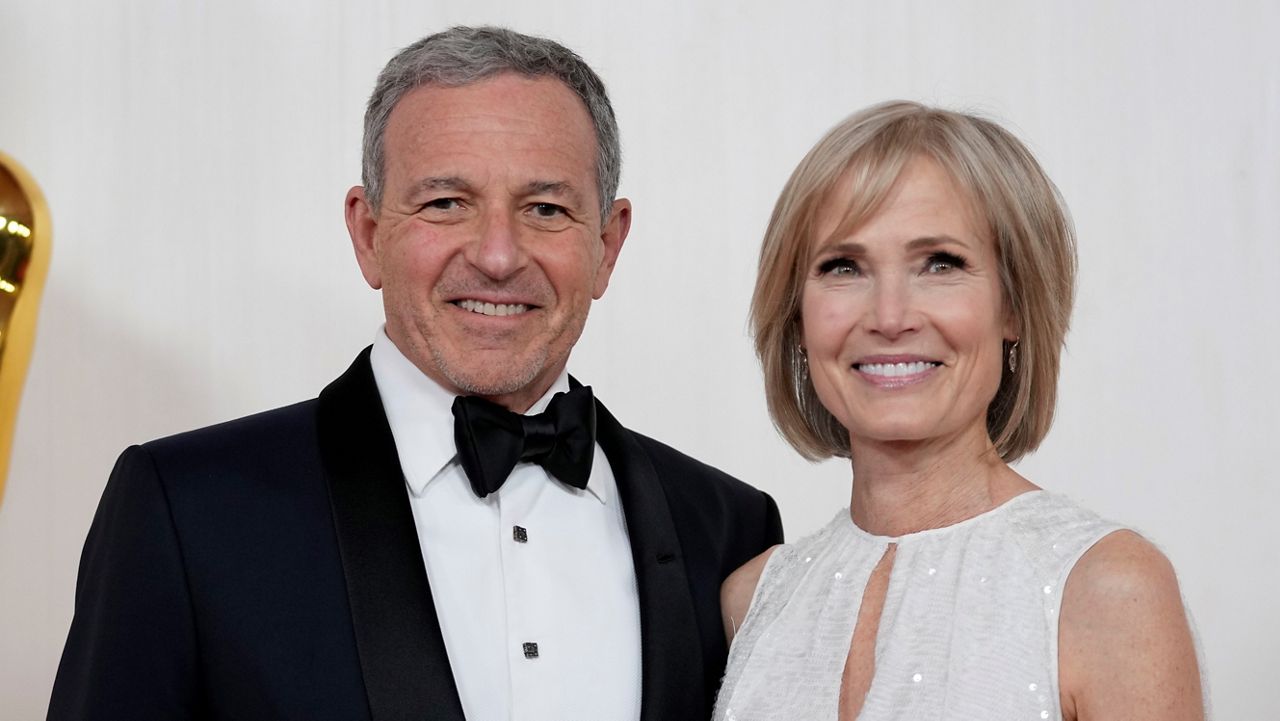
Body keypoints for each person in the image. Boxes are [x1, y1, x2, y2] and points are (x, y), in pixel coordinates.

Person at [48, 26, 781, 721]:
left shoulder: (730, 533)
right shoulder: (186, 510)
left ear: (608, 245)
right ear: (368, 235)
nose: (498, 255)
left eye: (546, 207)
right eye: (446, 203)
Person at [714, 101, 1205, 720]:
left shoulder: (1107, 590)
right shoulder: (753, 598)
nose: (890, 317)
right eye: (844, 267)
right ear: (798, 316)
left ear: (1015, 307)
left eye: (940, 264)